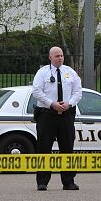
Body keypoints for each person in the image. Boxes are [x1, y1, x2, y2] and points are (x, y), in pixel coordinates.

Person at [31, 46, 82, 191]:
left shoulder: (69, 72)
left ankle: (68, 181)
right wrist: (51, 103)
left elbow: (78, 91)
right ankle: (42, 181)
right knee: (44, 148)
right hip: (47, 115)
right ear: (50, 57)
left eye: (61, 55)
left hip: (66, 115)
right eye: (57, 56)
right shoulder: (42, 73)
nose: (60, 58)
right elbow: (36, 91)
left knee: (67, 148)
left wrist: (69, 103)